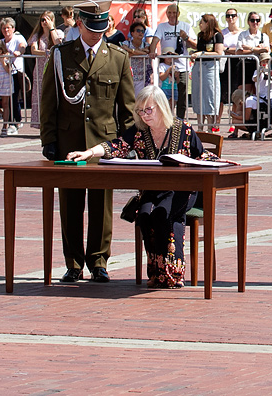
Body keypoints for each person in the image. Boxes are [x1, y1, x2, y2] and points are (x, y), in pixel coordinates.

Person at [65, 85, 219, 287]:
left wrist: (221, 162)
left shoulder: (184, 129)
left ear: (162, 107)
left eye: (149, 110)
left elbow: (203, 155)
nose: (144, 115)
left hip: (181, 191)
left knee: (163, 213)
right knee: (145, 215)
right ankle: (156, 272)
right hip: (152, 190)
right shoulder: (140, 132)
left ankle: (172, 274)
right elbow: (116, 146)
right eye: (140, 111)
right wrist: (88, 153)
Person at [40, 0, 136, 283]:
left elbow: (126, 108)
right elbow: (48, 102)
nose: (97, 34)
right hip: (69, 140)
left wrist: (128, 143)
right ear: (79, 24)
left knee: (101, 205)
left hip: (103, 143)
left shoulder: (118, 57)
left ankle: (98, 260)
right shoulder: (61, 55)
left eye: (102, 28)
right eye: (91, 28)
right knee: (70, 203)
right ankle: (73, 262)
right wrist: (49, 139)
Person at [149, 3, 194, 119]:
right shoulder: (162, 26)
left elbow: (194, 45)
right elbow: (154, 41)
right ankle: (165, 119)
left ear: (178, 14)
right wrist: (152, 51)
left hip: (182, 66)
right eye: (169, 12)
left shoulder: (186, 26)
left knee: (182, 95)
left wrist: (186, 37)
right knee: (164, 94)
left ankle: (180, 120)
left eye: (174, 12)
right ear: (166, 14)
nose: (172, 15)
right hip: (165, 65)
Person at [28, 11, 64, 129]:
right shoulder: (37, 35)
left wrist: (51, 28)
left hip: (53, 69)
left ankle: (53, 122)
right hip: (40, 69)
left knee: (52, 95)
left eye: (47, 20)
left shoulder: (58, 32)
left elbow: (58, 43)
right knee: (40, 96)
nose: (44, 22)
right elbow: (33, 50)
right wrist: (45, 53)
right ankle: (41, 123)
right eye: (42, 20)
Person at [191, 13, 225, 130]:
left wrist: (203, 53)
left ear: (208, 23)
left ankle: (210, 127)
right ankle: (200, 126)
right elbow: (198, 49)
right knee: (198, 94)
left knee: (210, 94)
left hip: (210, 66)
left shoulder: (217, 35)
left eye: (202, 22)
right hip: (199, 66)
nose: (200, 25)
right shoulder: (200, 35)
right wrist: (194, 53)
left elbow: (218, 53)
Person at [0, 17, 27, 135]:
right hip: (3, 74)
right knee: (6, 99)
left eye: (8, 28)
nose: (6, 30)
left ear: (13, 29)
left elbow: (23, 46)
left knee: (14, 97)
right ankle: (10, 122)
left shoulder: (18, 37)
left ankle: (15, 121)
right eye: (4, 28)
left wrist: (19, 52)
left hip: (15, 72)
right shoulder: (1, 42)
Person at [220, 8, 244, 127]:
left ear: (237, 17)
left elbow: (241, 50)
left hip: (238, 64)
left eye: (233, 15)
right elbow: (219, 48)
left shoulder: (242, 33)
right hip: (224, 63)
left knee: (236, 94)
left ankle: (233, 124)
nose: (231, 18)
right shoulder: (222, 33)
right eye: (228, 16)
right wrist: (231, 51)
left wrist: (228, 50)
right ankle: (217, 123)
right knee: (221, 94)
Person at [126, 21, 152, 95]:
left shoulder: (146, 44)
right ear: (132, 33)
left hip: (142, 78)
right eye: (138, 30)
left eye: (142, 31)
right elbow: (124, 51)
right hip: (129, 77)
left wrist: (132, 52)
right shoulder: (126, 43)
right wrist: (141, 52)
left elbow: (147, 51)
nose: (140, 33)